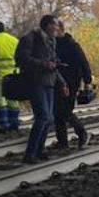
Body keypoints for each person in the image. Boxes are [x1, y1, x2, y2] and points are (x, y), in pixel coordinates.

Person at [16, 15, 68, 164]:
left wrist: (63, 83)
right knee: (43, 116)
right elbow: (21, 58)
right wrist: (44, 64)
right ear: (47, 25)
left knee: (49, 118)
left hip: (49, 82)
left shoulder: (52, 41)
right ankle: (30, 153)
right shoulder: (30, 38)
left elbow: (53, 64)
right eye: (55, 25)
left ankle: (39, 150)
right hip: (35, 82)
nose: (57, 28)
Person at [55, 21, 93, 150]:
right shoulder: (51, 44)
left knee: (65, 111)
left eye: (55, 29)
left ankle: (82, 133)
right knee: (57, 112)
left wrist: (87, 81)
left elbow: (84, 63)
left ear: (61, 29)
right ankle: (62, 142)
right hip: (57, 82)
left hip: (71, 82)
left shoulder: (72, 45)